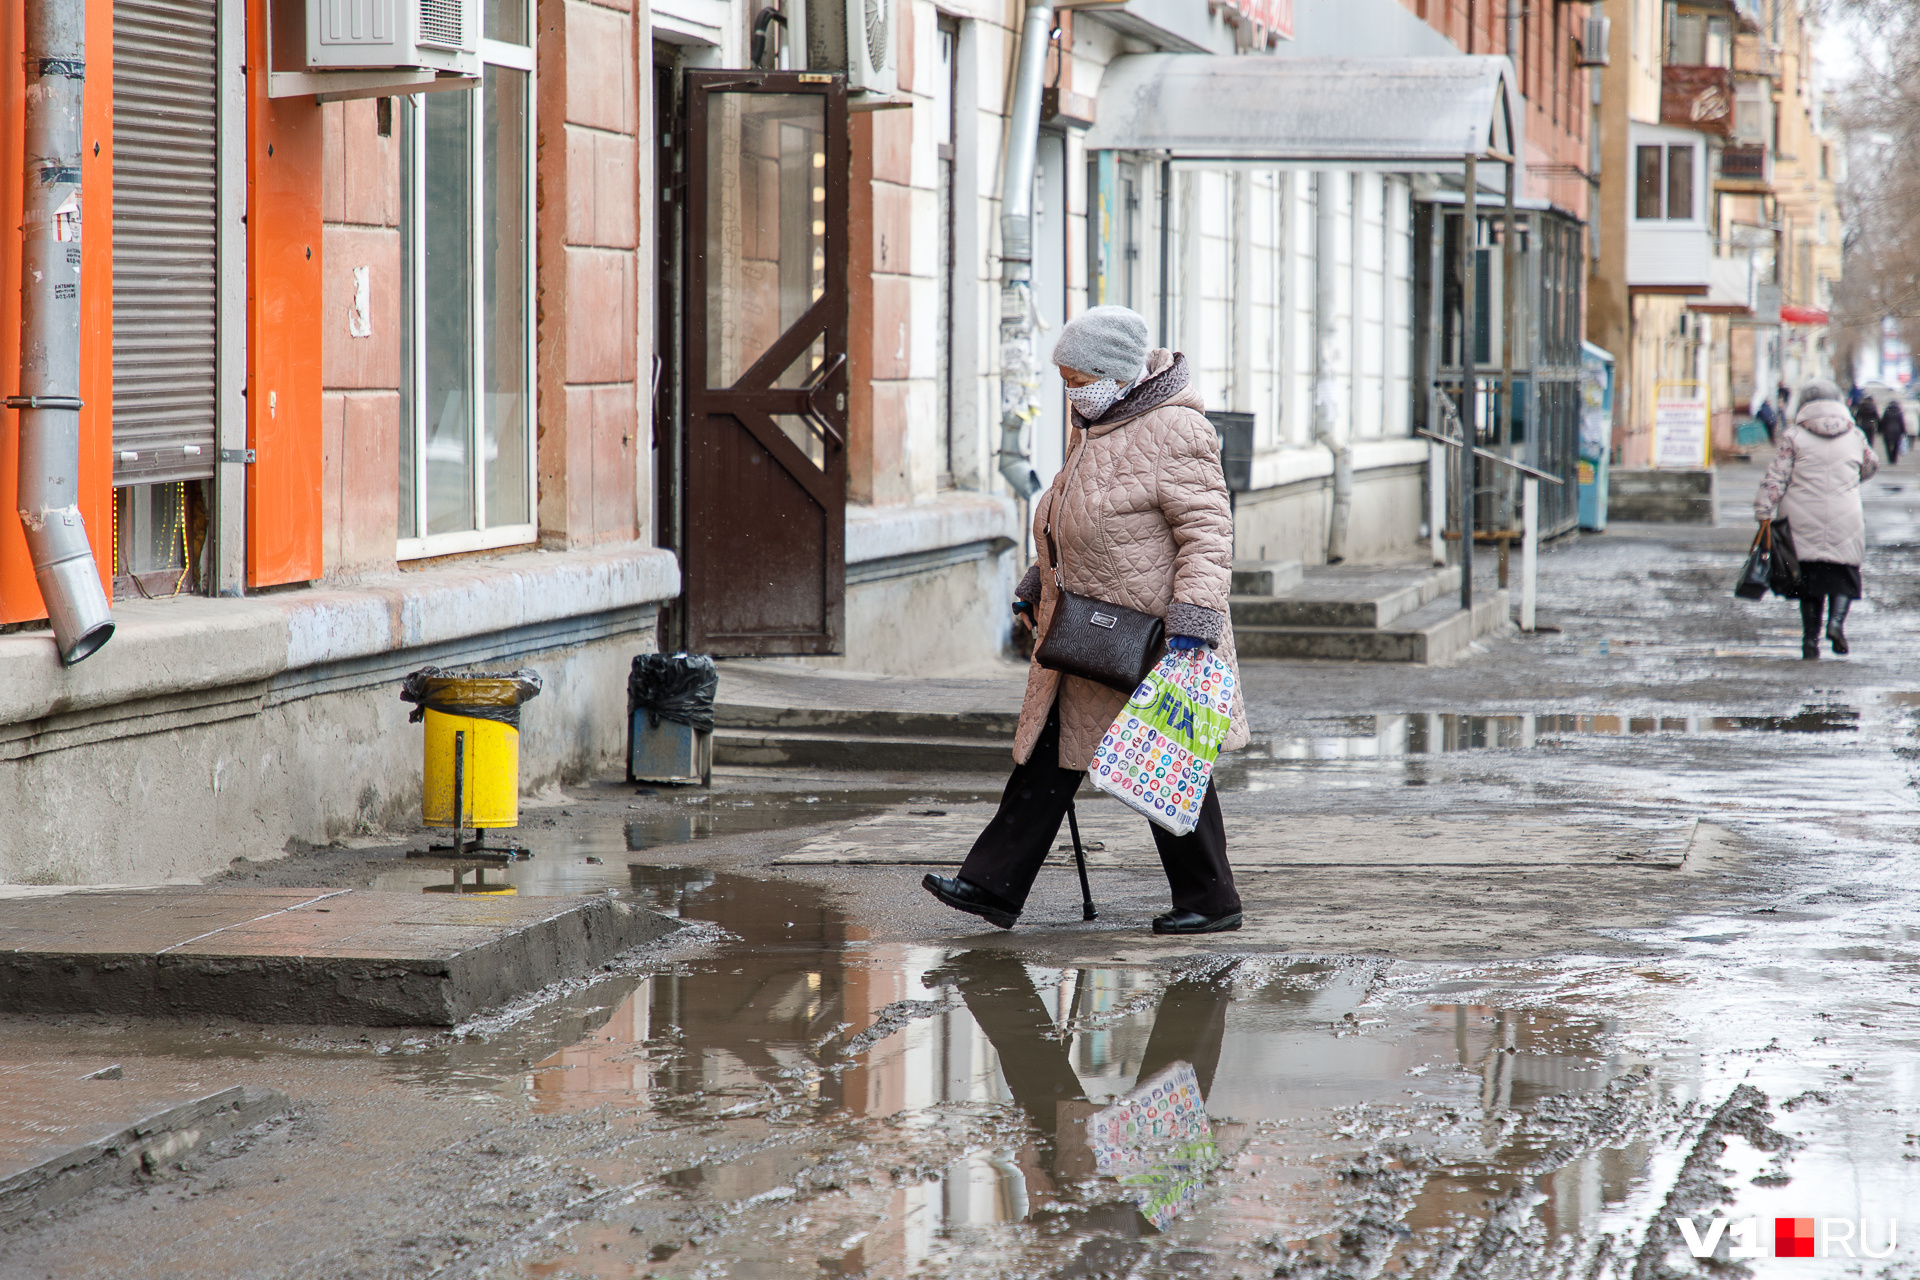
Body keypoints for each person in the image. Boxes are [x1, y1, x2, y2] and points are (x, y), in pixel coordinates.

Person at [922, 305, 1247, 936]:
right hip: (1086, 630)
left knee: (1167, 761)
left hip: (1152, 635)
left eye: (1078, 379)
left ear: (1117, 373)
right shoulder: (1094, 424)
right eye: (1065, 381)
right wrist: (1035, 584)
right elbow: (1064, 519)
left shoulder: (1176, 430)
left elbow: (1209, 533)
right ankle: (992, 886)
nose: (1071, 392)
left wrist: (1193, 621)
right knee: (1048, 758)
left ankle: (1211, 901)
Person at [1755, 379, 1879, 659]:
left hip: (1801, 518)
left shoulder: (1794, 436)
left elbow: (1777, 477)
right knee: (1843, 574)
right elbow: (1871, 464)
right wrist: (1849, 477)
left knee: (1810, 583)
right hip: (1844, 513)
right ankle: (1835, 625)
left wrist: (1763, 510)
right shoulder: (1855, 435)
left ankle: (1810, 641)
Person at [1880, 396, 1907, 465]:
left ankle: (1890, 458)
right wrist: (1903, 431)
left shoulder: (1886, 412)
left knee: (1887, 445)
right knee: (1896, 446)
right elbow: (1901, 422)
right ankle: (1894, 459)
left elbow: (1883, 422)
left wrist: (1880, 430)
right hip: (1897, 431)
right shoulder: (1899, 412)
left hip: (1887, 430)